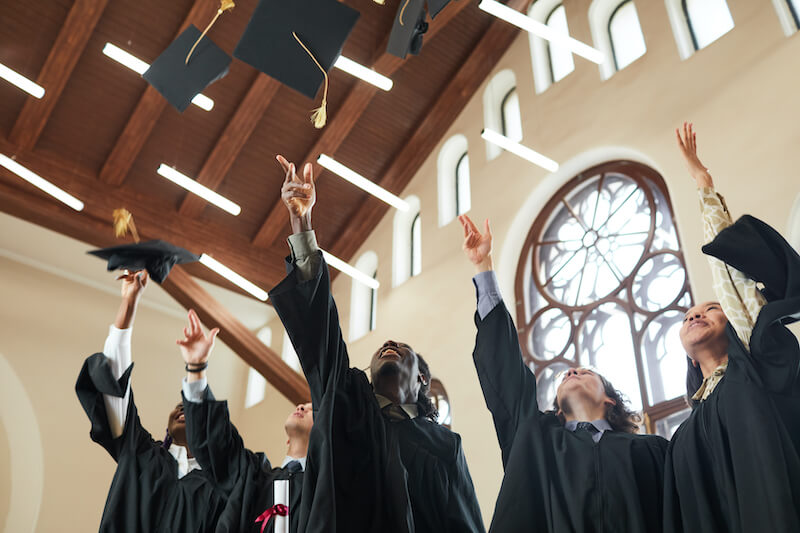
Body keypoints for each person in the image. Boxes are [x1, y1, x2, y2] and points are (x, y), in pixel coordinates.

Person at [267, 155, 485, 533]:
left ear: (422, 379)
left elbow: (463, 524)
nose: (389, 343)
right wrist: (302, 224)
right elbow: (321, 332)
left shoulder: (445, 446)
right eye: (383, 347)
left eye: (403, 348)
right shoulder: (347, 406)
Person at [458, 214, 668, 533]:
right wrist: (483, 267)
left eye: (585, 372)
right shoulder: (536, 441)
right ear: (556, 409)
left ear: (610, 399)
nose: (572, 371)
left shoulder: (648, 451)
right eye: (568, 374)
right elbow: (506, 372)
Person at [663, 123, 800, 532]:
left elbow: (731, 278)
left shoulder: (755, 364)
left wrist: (704, 185)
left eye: (711, 308)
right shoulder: (682, 438)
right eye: (687, 315)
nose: (694, 315)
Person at [75, 270, 226, 532]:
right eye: (179, 406)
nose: (183, 408)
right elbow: (114, 386)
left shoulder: (222, 488)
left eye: (193, 408)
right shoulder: (140, 452)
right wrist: (129, 303)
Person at [178, 308, 313, 533]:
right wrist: (196, 369)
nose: (301, 406)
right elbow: (217, 444)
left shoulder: (329, 485)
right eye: (302, 405)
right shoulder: (253, 476)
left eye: (312, 410)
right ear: (287, 440)